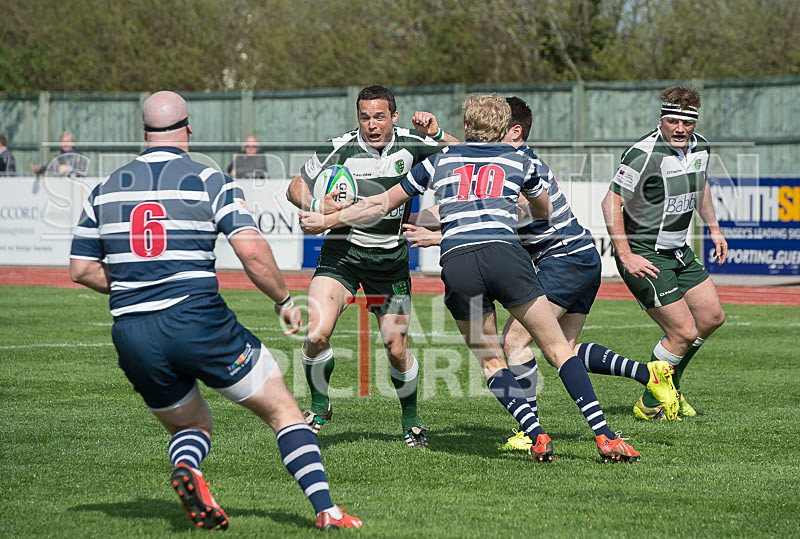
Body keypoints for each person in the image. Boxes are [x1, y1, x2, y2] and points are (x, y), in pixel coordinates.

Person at [69, 91, 361, 531]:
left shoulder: (106, 188)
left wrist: (136, 286)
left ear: (143, 132)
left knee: (191, 423)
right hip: (196, 318)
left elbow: (80, 269)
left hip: (131, 331)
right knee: (283, 410)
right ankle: (327, 510)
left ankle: (188, 470)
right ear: (188, 127)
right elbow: (252, 252)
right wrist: (283, 300)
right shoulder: (207, 177)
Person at [300, 93, 641, 463]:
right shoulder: (519, 159)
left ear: (465, 127)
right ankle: (605, 436)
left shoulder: (441, 160)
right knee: (558, 348)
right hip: (505, 257)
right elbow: (542, 210)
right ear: (501, 128)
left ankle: (536, 434)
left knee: (491, 361)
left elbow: (383, 203)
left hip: (459, 263)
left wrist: (328, 220)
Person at [402, 96, 679, 454]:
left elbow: (498, 218)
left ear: (512, 132)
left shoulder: (520, 162)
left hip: (561, 259)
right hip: (578, 257)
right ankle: (648, 374)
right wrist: (439, 134)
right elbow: (471, 165)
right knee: (562, 348)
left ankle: (529, 429)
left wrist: (441, 235)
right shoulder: (509, 160)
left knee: (515, 343)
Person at [285, 85, 456, 447]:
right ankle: (318, 406)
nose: (372, 124)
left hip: (390, 261)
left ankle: (411, 423)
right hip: (341, 255)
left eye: (380, 117)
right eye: (365, 117)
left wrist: (437, 134)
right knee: (316, 334)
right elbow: (295, 186)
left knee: (396, 348)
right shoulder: (341, 147)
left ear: (394, 117)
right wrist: (318, 202)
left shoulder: (414, 143)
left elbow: (465, 158)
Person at [601, 85, 727, 420]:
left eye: (686, 123)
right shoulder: (642, 153)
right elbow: (610, 202)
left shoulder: (700, 147)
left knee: (712, 317)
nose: (680, 129)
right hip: (645, 252)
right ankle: (649, 403)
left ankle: (672, 387)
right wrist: (625, 255)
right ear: (662, 120)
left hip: (678, 250)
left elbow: (699, 187)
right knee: (683, 332)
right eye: (673, 121)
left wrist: (713, 228)